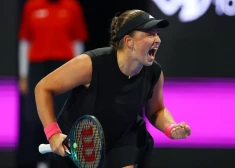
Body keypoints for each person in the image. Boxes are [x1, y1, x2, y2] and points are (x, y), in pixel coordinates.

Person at [35, 9, 191, 168]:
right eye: (150, 34)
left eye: (157, 33)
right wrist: (53, 134)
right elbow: (43, 88)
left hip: (122, 140)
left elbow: (156, 110)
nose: (157, 39)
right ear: (129, 41)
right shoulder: (91, 64)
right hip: (78, 144)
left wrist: (171, 127)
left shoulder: (154, 73)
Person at [17, 0, 88, 167]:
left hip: (64, 65)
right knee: (35, 116)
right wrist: (23, 75)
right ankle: (41, 161)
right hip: (37, 67)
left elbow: (77, 40)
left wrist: (80, 73)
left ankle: (61, 161)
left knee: (63, 114)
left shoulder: (72, 6)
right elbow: (25, 41)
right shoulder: (31, 6)